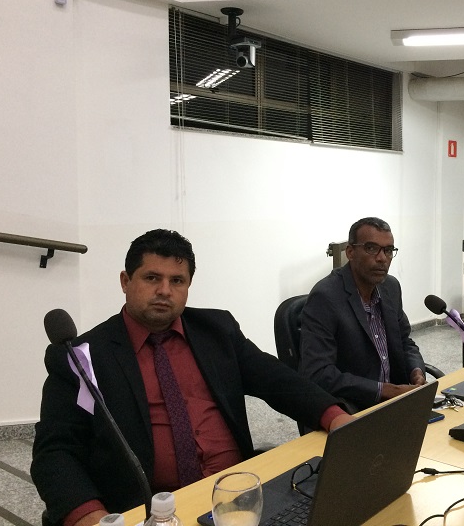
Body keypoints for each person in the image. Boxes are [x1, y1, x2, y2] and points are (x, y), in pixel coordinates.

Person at [31, 229, 352, 526]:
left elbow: (275, 379)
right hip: (150, 511)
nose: (164, 291)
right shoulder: (82, 357)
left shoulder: (217, 330)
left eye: (177, 281)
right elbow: (55, 452)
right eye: (152, 278)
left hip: (235, 496)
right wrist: (90, 517)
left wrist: (335, 417)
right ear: (125, 281)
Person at [299, 217, 426, 413]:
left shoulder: (391, 287)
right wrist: (384, 390)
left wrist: (416, 371)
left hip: (397, 403)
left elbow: (404, 342)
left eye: (388, 250)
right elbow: (318, 372)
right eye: (371, 248)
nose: (382, 258)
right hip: (353, 408)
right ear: (350, 252)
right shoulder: (325, 297)